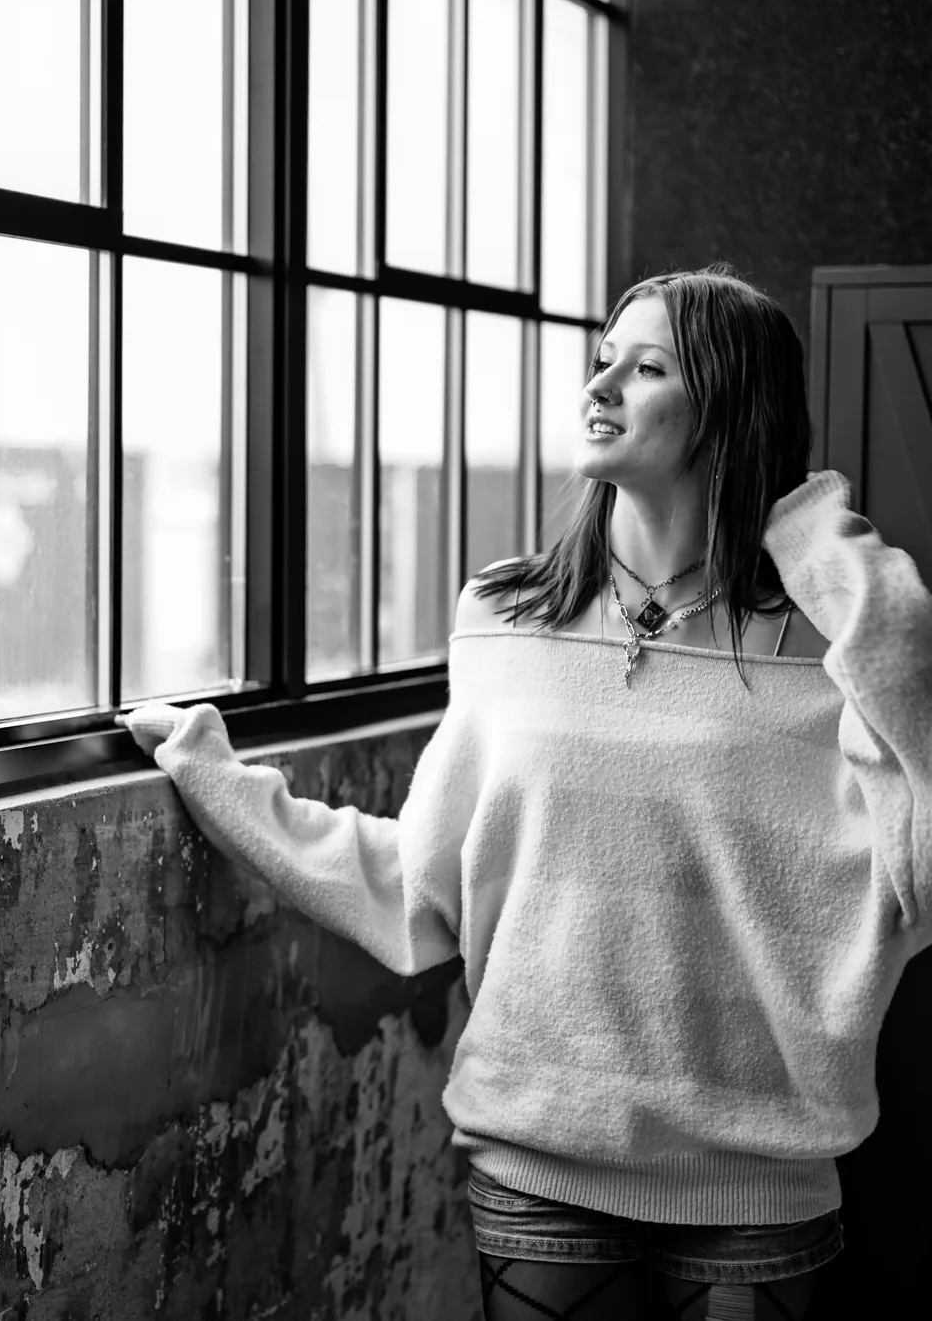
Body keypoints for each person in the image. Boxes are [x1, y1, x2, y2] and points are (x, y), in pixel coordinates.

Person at [122, 265, 932, 1321]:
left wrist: (823, 543)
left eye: (645, 368)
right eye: (600, 359)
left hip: (758, 1165)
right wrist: (209, 771)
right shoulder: (505, 616)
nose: (599, 386)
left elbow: (917, 859)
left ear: (732, 405)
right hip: (542, 1149)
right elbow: (420, 881)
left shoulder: (832, 645)